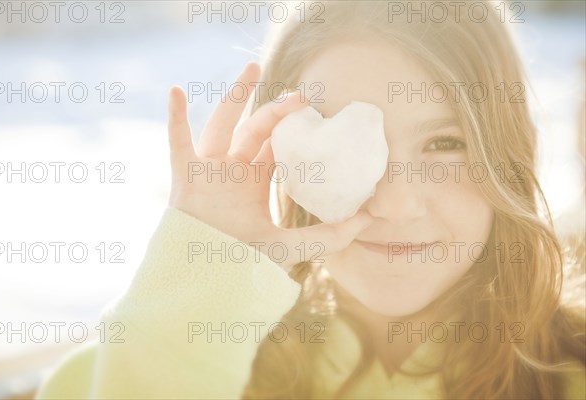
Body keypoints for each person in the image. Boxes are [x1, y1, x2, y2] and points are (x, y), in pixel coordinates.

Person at [36, 1, 585, 398]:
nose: (393, 205)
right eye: (349, 147)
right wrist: (205, 282)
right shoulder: (149, 362)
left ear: (511, 152)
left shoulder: (569, 373)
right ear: (282, 152)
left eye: (446, 143)